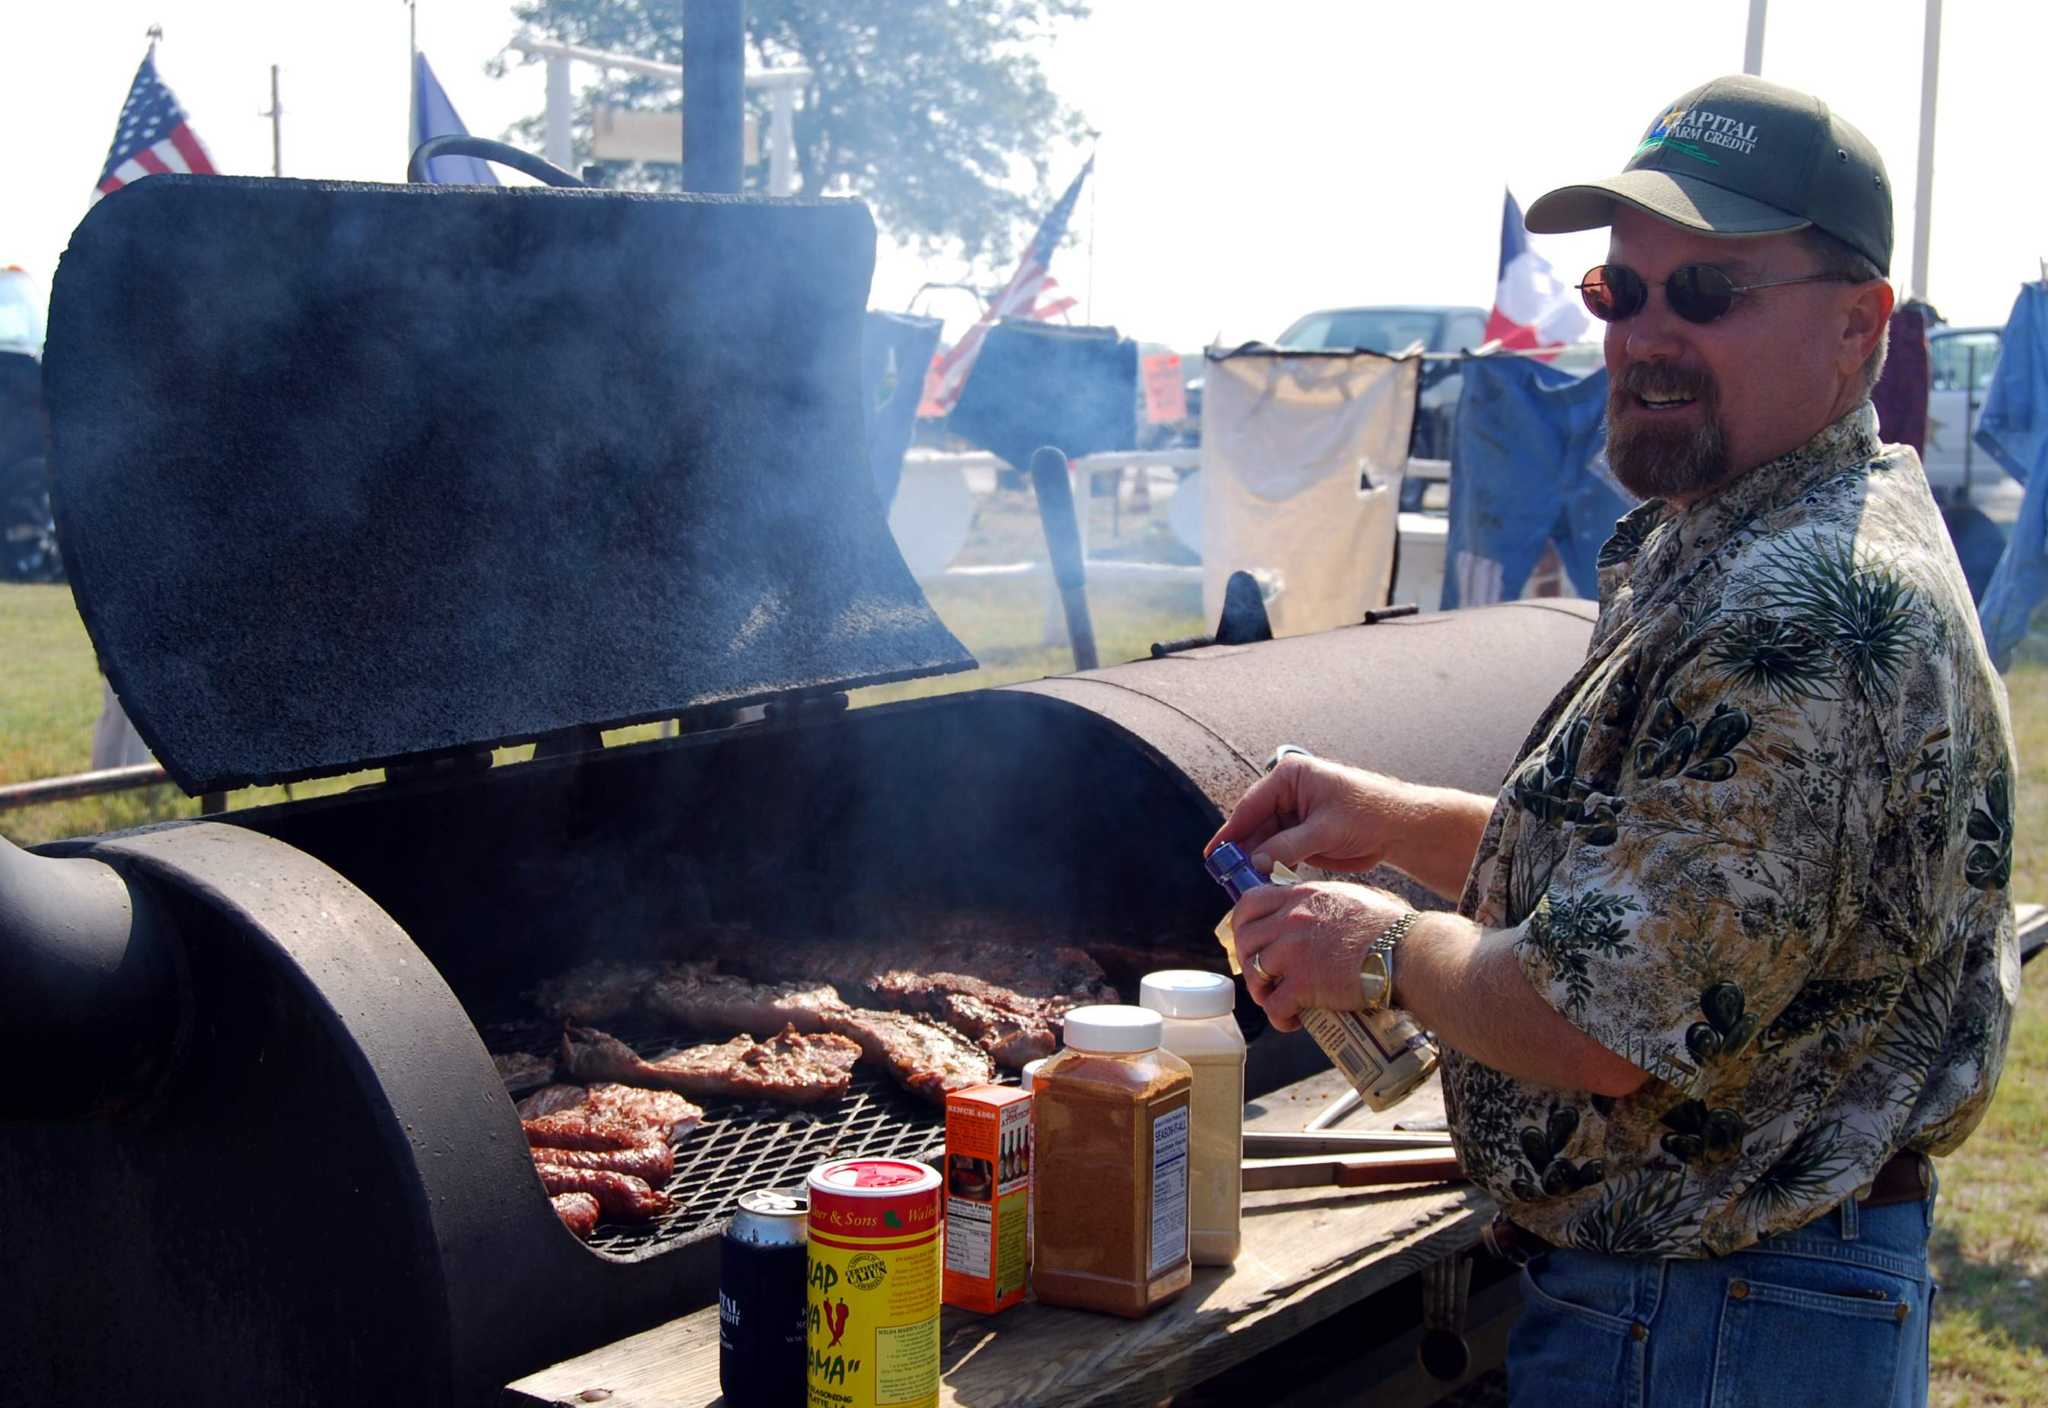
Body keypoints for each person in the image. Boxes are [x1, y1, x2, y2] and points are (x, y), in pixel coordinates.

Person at [1211, 75, 2016, 1408]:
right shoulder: (1763, 538)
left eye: (1704, 293)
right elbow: (1683, 888)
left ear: (1856, 325)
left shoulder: (1805, 609)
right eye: (1619, 293)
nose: (1645, 335)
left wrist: (1383, 946)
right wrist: (1400, 820)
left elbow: (1606, 1018)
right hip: (1722, 1305)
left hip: (1715, 1329)